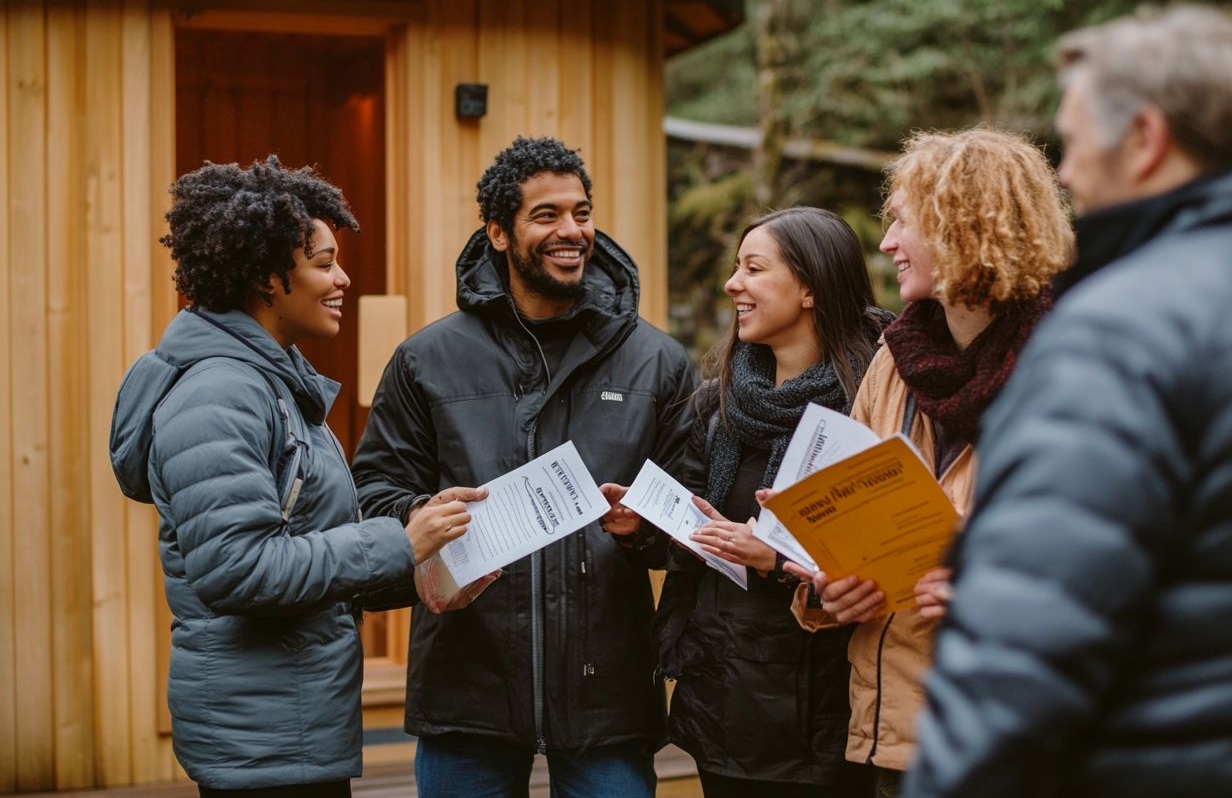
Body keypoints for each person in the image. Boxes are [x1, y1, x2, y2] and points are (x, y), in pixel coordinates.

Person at [906, 7, 1232, 797]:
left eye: (1078, 144)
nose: (1071, 178)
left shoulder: (1125, 329)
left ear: (1147, 140)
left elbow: (1026, 647)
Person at [109, 158, 485, 796]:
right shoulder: (220, 397)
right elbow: (238, 567)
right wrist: (400, 542)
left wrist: (422, 550)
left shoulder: (268, 384)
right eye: (322, 261)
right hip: (262, 739)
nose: (342, 278)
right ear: (265, 277)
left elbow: (309, 550)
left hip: (293, 728)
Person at [350, 136, 696, 798]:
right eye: (547, 215)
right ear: (499, 233)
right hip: (466, 690)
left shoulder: (657, 363)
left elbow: (689, 512)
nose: (571, 231)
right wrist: (421, 517)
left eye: (582, 212)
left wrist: (642, 527)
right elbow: (373, 497)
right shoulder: (428, 360)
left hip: (608, 703)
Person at [788, 128, 1073, 797]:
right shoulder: (894, 361)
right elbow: (843, 521)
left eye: (902, 223)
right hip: (896, 740)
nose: (885, 244)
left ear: (964, 228)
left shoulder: (1073, 363)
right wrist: (830, 594)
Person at [653, 207, 890, 797]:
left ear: (810, 287)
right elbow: (684, 538)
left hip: (823, 715)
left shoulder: (872, 405)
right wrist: (639, 525)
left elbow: (887, 558)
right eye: (736, 268)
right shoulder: (718, 404)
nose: (733, 284)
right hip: (721, 703)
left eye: (754, 269)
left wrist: (776, 560)